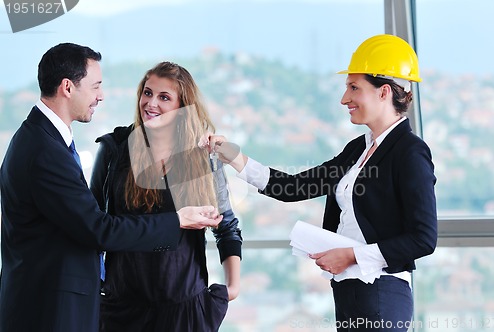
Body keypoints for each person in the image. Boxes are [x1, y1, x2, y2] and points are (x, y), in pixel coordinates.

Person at [201, 34, 437, 331]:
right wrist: (233, 157)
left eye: (354, 88)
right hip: (350, 292)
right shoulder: (358, 150)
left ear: (383, 92)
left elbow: (424, 238)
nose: (344, 99)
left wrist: (351, 255)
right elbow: (294, 187)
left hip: (382, 293)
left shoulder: (410, 152)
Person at [0, 43, 222, 332]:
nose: (100, 96)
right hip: (49, 309)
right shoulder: (46, 151)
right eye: (95, 87)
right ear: (68, 87)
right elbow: (99, 229)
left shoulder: (41, 138)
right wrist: (178, 220)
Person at [90, 61, 242, 332]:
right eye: (147, 93)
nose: (151, 103)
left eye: (164, 97)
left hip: (185, 313)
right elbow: (93, 227)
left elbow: (227, 227)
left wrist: (232, 287)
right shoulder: (114, 150)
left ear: (183, 106)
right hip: (121, 311)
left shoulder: (205, 157)